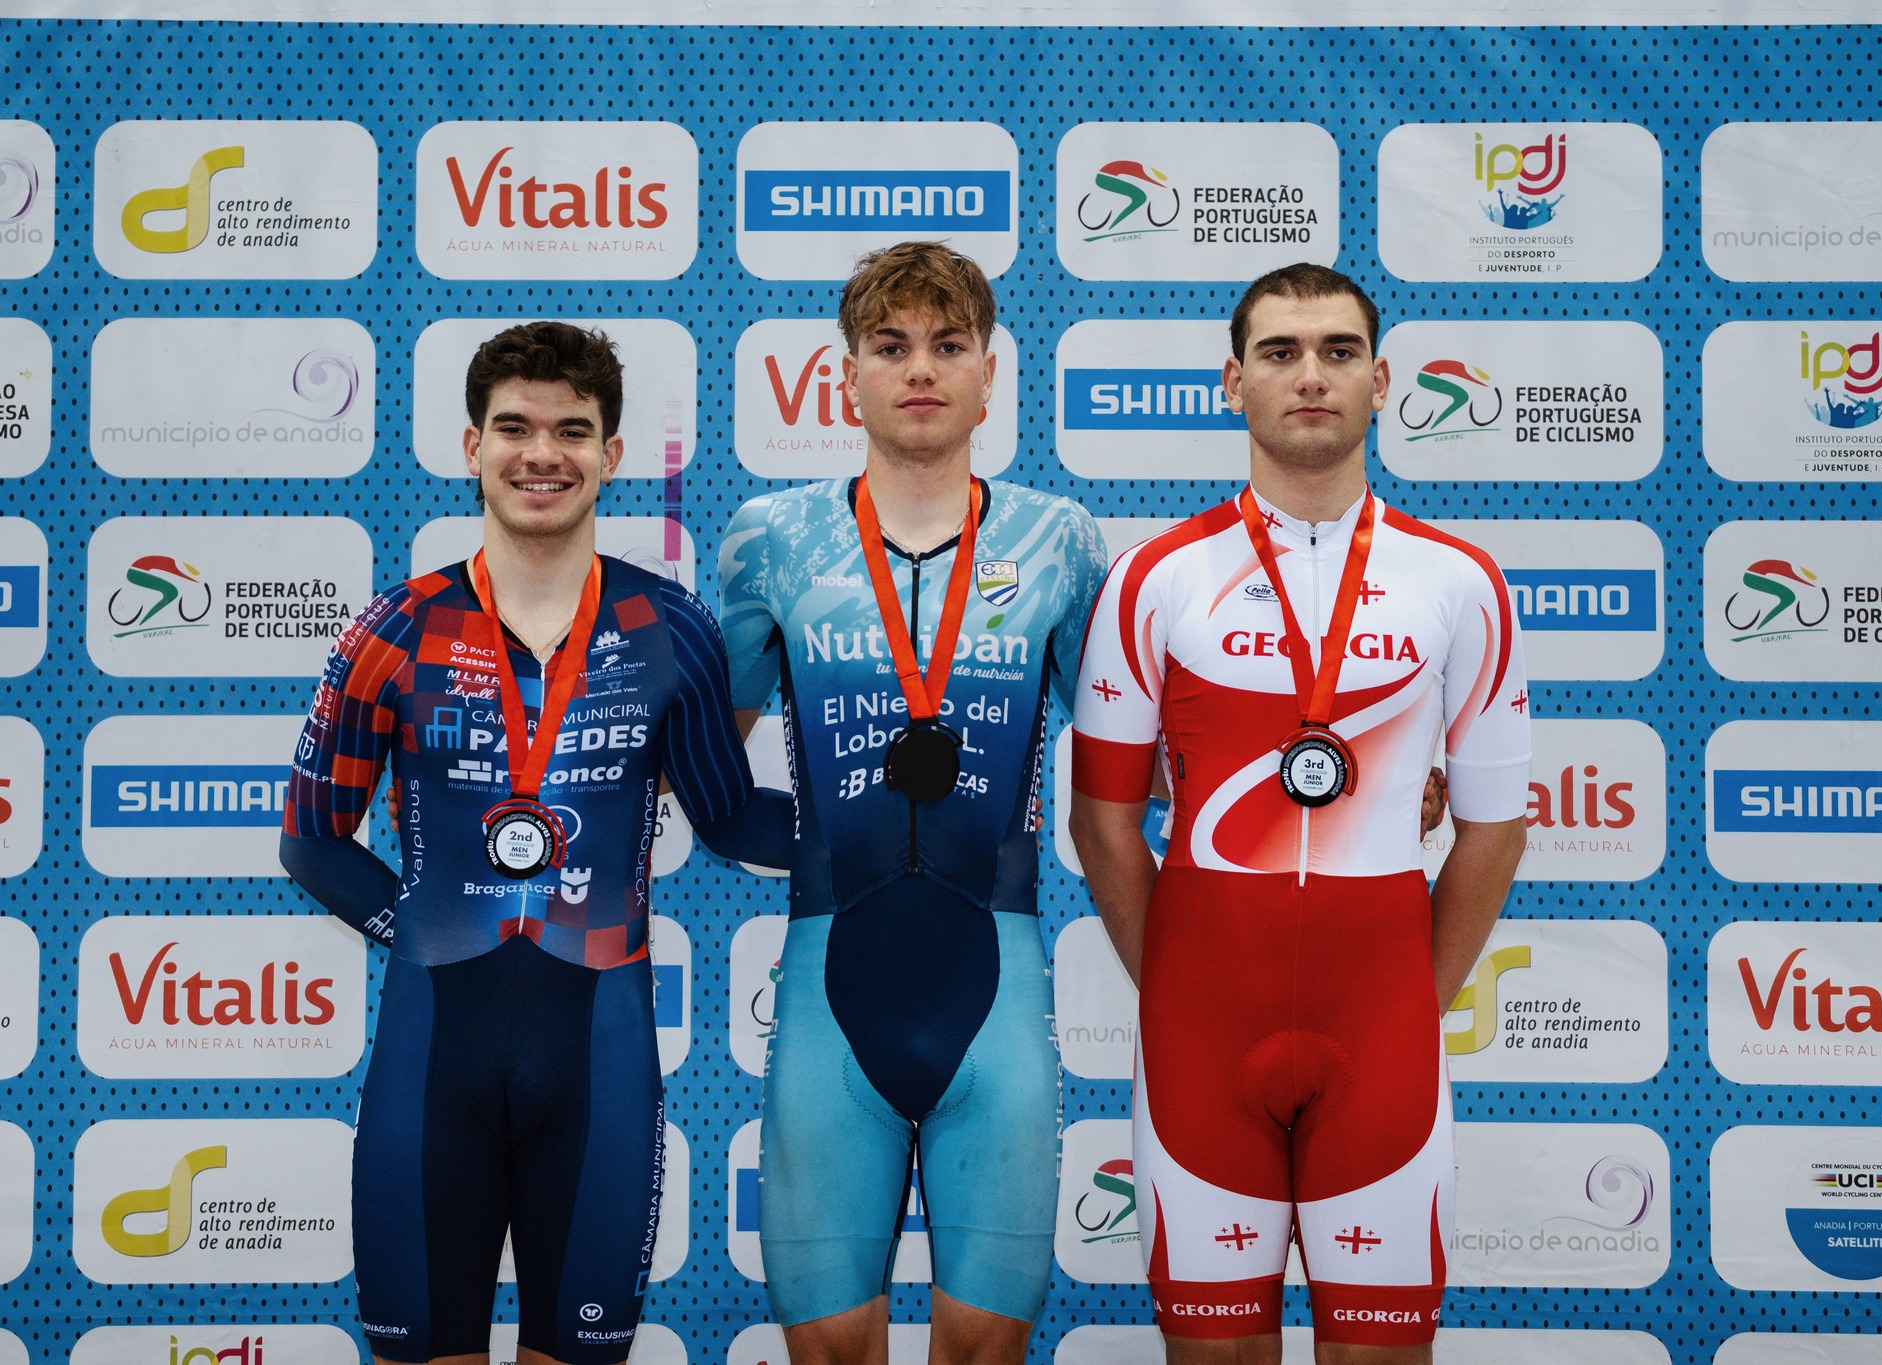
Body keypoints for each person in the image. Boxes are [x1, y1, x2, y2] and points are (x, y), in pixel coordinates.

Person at [280, 321, 793, 1365]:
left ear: (609, 456)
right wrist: (421, 923)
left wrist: (886, 829)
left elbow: (731, 815)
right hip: (435, 1056)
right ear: (471, 446)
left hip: (597, 1061)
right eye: (513, 427)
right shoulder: (395, 630)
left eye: (571, 430)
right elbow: (312, 842)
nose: (540, 453)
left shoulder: (668, 627)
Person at [1067, 264, 1531, 1364]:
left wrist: (1408, 999)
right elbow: (1100, 824)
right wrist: (1181, 979)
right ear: (1233, 382)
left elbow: (1495, 825)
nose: (1307, 376)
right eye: (1278, 353)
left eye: (1333, 352)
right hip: (1199, 1031)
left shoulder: (1458, 580)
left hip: (1381, 1027)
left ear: (1380, 380)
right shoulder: (1153, 579)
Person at [717, 241, 1110, 1365]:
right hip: (827, 983)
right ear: (847, 375)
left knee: (983, 1355)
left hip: (996, 989)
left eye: (948, 346)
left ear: (990, 373)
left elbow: (1146, 765)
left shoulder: (1058, 540)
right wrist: (790, 841)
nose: (920, 370)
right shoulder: (770, 538)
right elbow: (696, 765)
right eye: (890, 348)